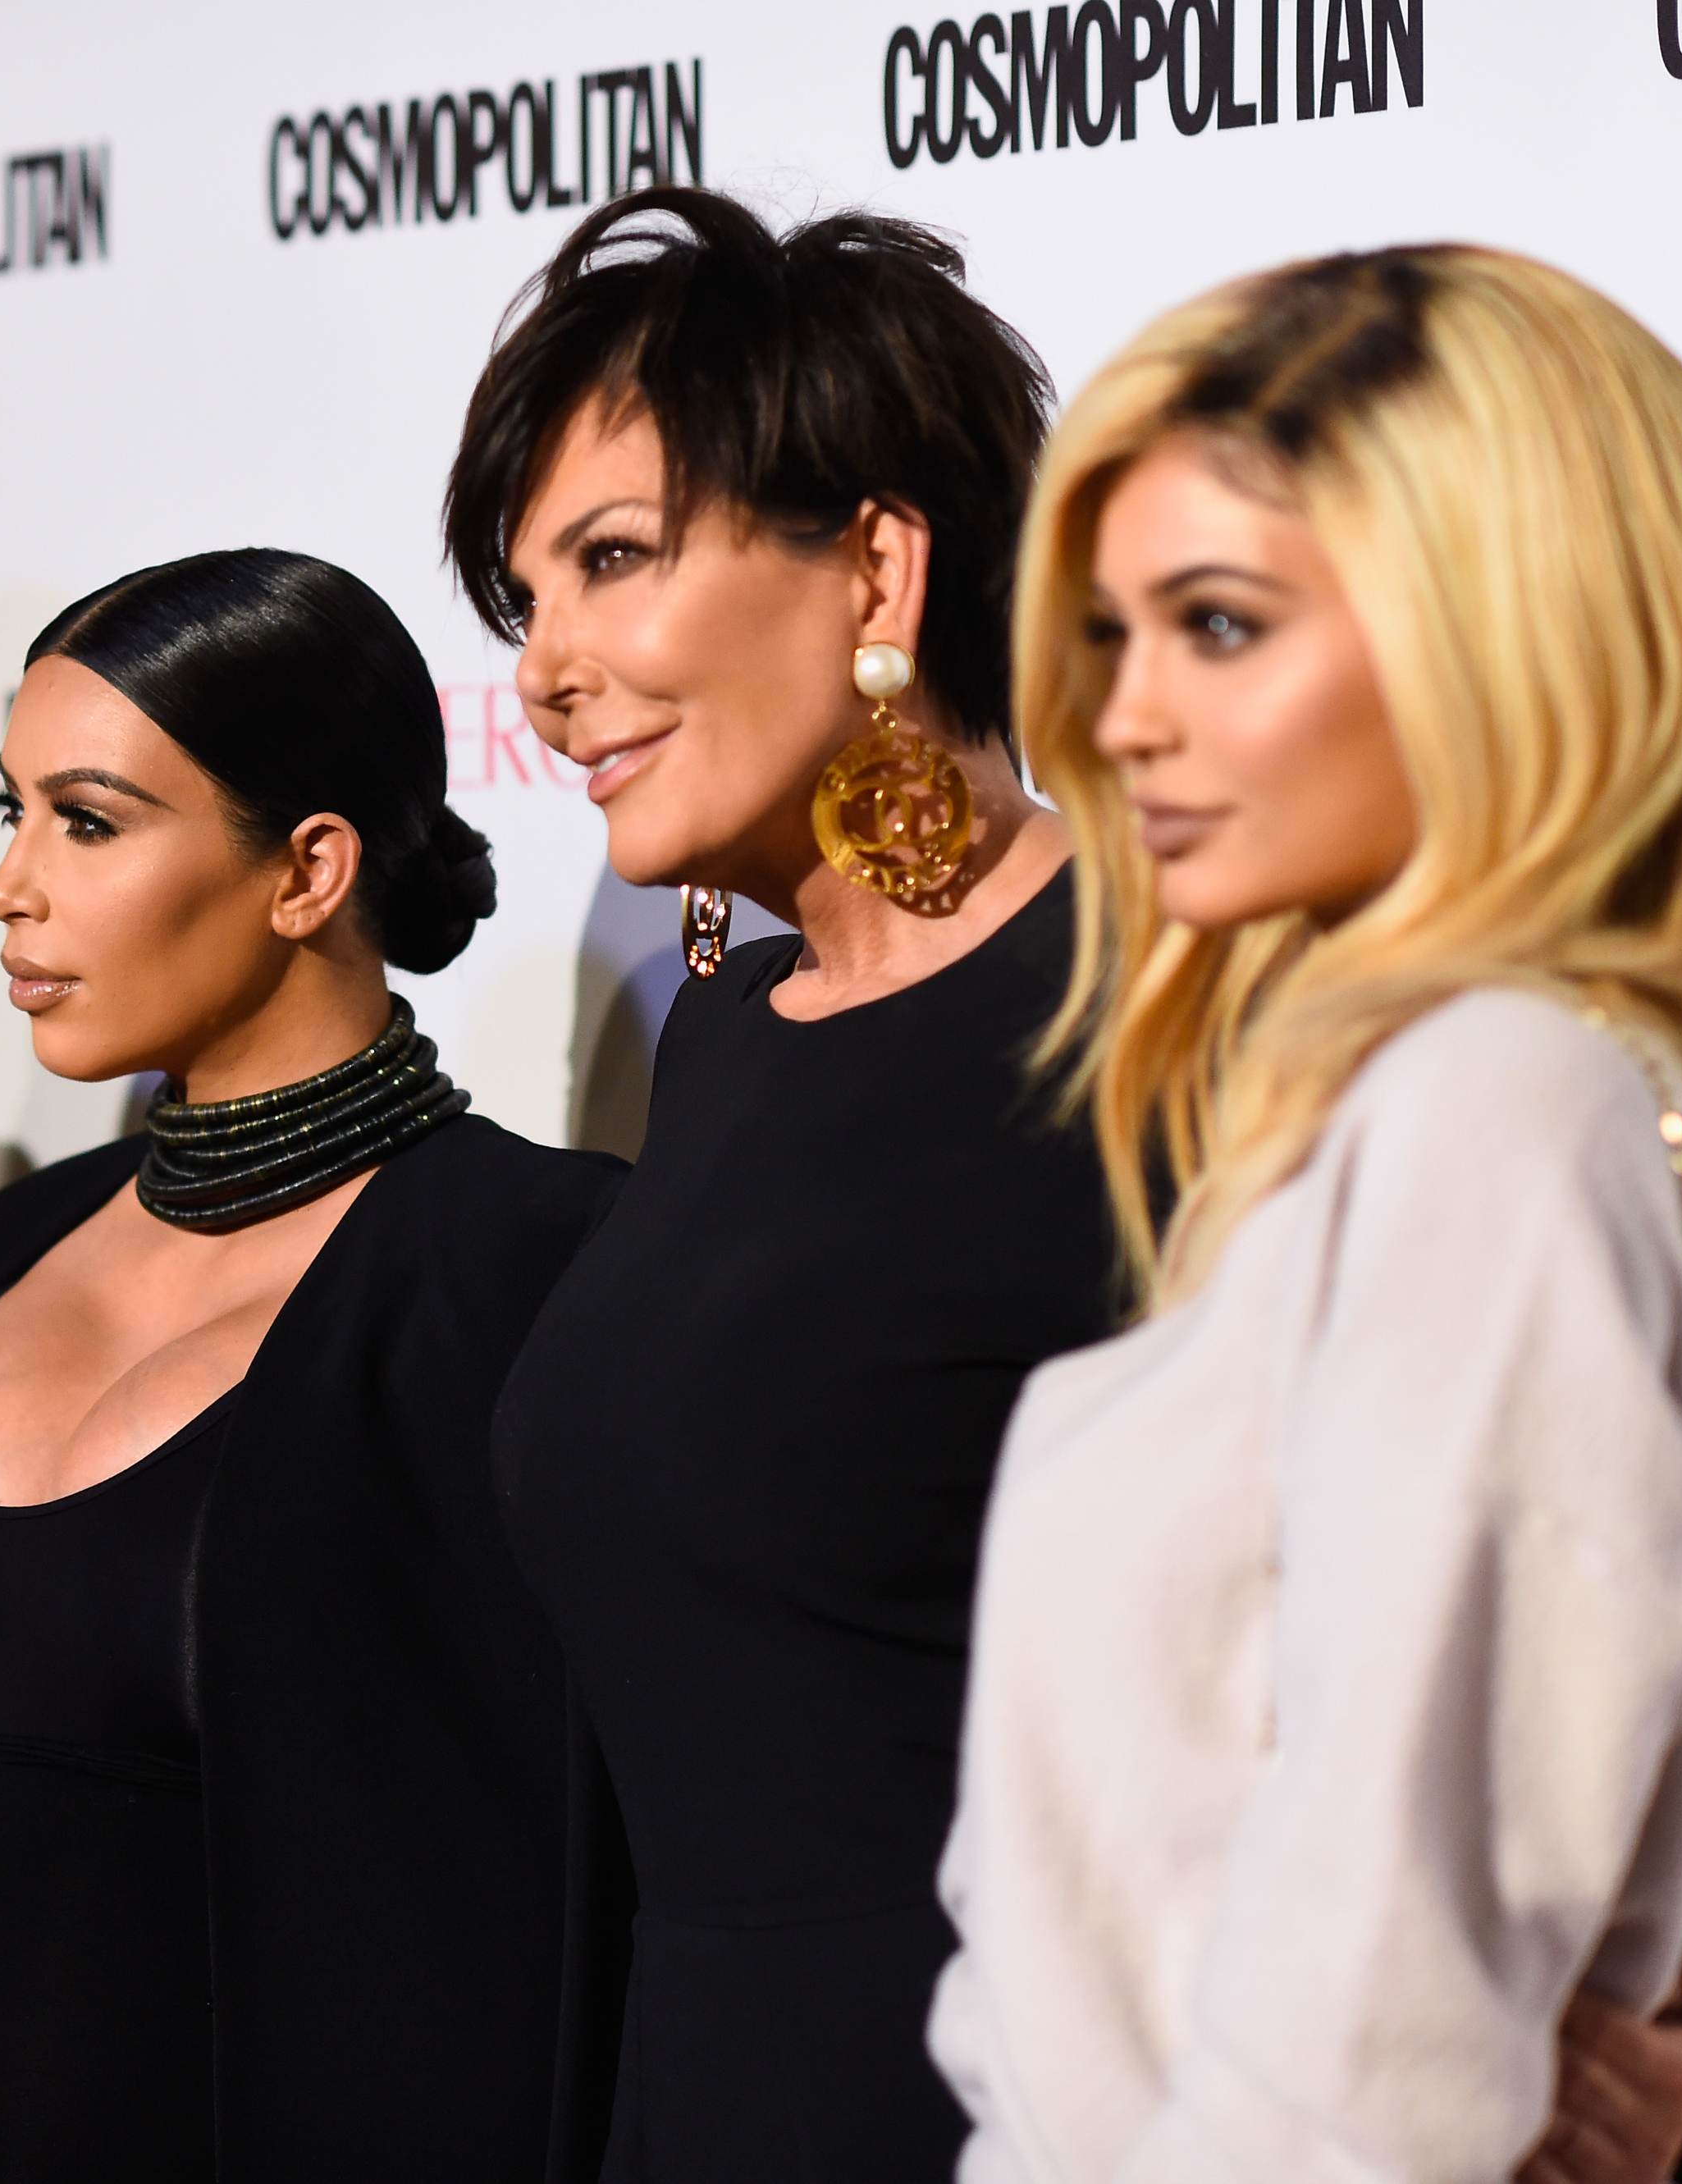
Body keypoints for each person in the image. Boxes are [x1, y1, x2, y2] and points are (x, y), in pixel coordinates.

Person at [927, 247, 1682, 2183]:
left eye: (1218, 623)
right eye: (1111, 630)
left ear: (1500, 627)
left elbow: (1355, 2042)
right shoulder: (1431, 1101)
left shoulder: (1492, 1106)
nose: (1122, 714)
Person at [0, 549, 628, 2184]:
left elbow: (540, 1896)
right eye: (8, 811)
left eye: (84, 819)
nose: (9, 884)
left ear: (305, 868)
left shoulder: (527, 1264)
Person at [452, 190, 1103, 2183]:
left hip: (1024, 2096)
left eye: (614, 560)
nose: (549, 670)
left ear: (875, 563)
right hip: (698, 2082)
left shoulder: (1159, 1015)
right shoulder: (724, 1020)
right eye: (525, 597)